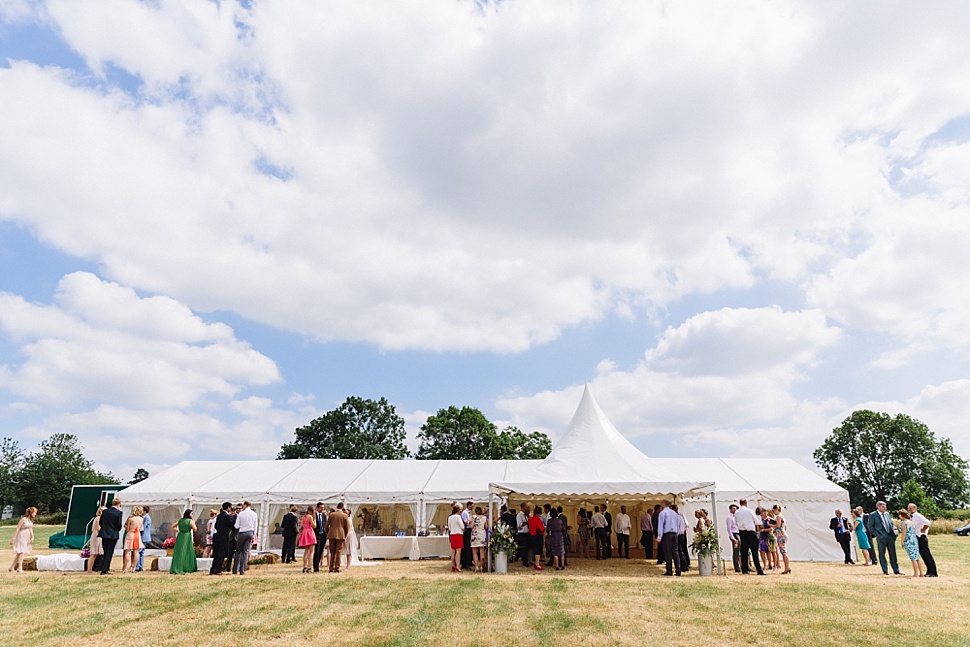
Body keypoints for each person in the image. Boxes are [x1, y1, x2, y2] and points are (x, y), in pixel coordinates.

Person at [865, 501, 901, 575]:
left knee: (893, 553)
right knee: (882, 553)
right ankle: (885, 570)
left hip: (890, 536)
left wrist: (894, 530)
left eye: (885, 506)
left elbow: (890, 523)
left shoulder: (887, 514)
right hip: (881, 536)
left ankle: (896, 570)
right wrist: (877, 534)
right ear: (878, 507)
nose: (885, 508)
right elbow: (870, 526)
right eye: (883, 506)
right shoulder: (873, 515)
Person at [735, 499, 765, 575]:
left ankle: (744, 569)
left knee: (744, 551)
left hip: (742, 532)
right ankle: (759, 569)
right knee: (754, 552)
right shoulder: (750, 511)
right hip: (751, 532)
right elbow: (757, 522)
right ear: (746, 503)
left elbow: (736, 523)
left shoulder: (737, 512)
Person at [907, 503, 938, 577]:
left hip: (921, 536)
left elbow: (927, 523)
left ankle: (933, 572)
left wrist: (923, 529)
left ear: (915, 508)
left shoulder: (918, 515)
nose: (909, 510)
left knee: (926, 554)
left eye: (910, 508)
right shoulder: (911, 517)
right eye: (908, 508)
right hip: (917, 536)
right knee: (923, 555)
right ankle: (929, 571)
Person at [232, 500, 258, 575]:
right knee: (245, 552)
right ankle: (242, 570)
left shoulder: (241, 514)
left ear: (245, 505)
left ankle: (235, 569)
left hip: (242, 532)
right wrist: (253, 535)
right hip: (250, 532)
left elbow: (236, 526)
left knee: (238, 551)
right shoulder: (254, 514)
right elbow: (255, 526)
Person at [655, 500, 680, 576]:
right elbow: (677, 524)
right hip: (674, 533)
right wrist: (677, 533)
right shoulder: (674, 513)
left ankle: (669, 570)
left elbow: (661, 525)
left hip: (667, 534)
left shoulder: (663, 513)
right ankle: (678, 570)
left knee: (668, 552)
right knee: (675, 552)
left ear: (663, 504)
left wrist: (659, 536)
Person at [8, 506, 37, 573]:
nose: (35, 514)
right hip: (21, 536)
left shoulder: (30, 521)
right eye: (34, 512)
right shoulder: (23, 519)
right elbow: (18, 528)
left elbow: (30, 528)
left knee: (19, 553)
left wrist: (32, 537)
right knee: (22, 552)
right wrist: (13, 538)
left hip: (26, 537)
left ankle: (12, 567)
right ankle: (19, 567)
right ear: (31, 512)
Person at [324, 502, 351, 573]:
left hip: (332, 534)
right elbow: (347, 528)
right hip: (341, 535)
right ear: (342, 507)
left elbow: (326, 526)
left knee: (332, 552)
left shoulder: (332, 515)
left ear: (337, 507)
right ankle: (337, 568)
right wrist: (344, 535)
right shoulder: (345, 516)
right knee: (338, 552)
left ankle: (331, 567)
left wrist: (328, 533)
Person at [170, 509, 198, 575]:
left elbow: (172, 526)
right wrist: (193, 522)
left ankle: (177, 567)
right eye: (192, 514)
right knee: (187, 551)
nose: (192, 515)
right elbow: (195, 529)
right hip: (187, 536)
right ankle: (187, 567)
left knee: (179, 552)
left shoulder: (180, 520)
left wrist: (178, 531)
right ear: (189, 514)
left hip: (180, 536)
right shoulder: (190, 521)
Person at [209, 502, 233, 575]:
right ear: (228, 507)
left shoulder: (219, 516)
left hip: (217, 536)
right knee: (222, 553)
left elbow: (216, 526)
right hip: (223, 537)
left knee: (216, 553)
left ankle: (213, 568)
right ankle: (218, 569)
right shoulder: (227, 516)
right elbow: (231, 523)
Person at [897, 510, 923, 577]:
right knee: (916, 557)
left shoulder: (904, 523)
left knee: (912, 558)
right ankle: (921, 573)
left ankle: (916, 573)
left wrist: (902, 542)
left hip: (908, 540)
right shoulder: (911, 522)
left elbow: (904, 533)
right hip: (914, 539)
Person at [122, 506, 144, 574]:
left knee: (127, 551)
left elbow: (128, 528)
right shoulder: (141, 519)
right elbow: (140, 529)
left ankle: (125, 567)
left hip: (131, 534)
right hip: (137, 534)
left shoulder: (131, 519)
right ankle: (133, 567)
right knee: (136, 551)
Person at [468, 506, 488, 573]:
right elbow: (486, 526)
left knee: (474, 552)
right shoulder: (484, 518)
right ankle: (482, 566)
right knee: (482, 551)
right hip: (482, 534)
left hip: (475, 534)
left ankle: (476, 567)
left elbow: (471, 526)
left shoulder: (474, 517)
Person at [298, 506, 317, 573]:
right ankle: (309, 567)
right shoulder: (310, 517)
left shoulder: (304, 517)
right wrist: (315, 519)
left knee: (306, 551)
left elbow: (301, 526)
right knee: (312, 551)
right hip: (310, 532)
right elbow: (314, 526)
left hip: (304, 532)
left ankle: (304, 566)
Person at [87, 506, 106, 574]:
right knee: (94, 554)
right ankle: (89, 570)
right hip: (97, 535)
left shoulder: (96, 518)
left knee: (95, 554)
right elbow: (98, 528)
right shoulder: (98, 518)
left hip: (95, 534)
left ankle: (91, 569)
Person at [447, 504, 465, 573]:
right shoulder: (458, 517)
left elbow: (449, 527)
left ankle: (453, 565)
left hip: (452, 534)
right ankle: (457, 566)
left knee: (453, 551)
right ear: (458, 510)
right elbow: (462, 527)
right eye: (460, 510)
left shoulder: (450, 517)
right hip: (458, 534)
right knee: (458, 551)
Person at [672, 504, 689, 572]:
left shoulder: (675, 517)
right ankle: (686, 563)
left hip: (678, 535)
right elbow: (687, 525)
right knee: (684, 550)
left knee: (680, 551)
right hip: (683, 534)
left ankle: (683, 566)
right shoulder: (682, 515)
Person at [528, 505, 545, 571]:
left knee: (532, 549)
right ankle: (537, 564)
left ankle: (531, 561)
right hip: (537, 536)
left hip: (531, 535)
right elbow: (542, 528)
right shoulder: (537, 519)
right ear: (540, 512)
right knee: (538, 550)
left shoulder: (531, 519)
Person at [726, 504, 741, 573]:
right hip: (734, 534)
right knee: (736, 551)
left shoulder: (736, 517)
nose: (735, 510)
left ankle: (741, 565)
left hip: (738, 533)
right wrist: (732, 537)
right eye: (733, 508)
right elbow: (729, 528)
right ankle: (736, 567)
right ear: (730, 509)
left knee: (739, 551)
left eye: (736, 509)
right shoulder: (729, 517)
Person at [313, 502, 328, 573]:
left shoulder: (323, 516)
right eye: (321, 507)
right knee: (317, 550)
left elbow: (325, 524)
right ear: (318, 508)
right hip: (316, 535)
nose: (322, 509)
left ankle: (318, 563)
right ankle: (315, 566)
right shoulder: (314, 515)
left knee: (321, 550)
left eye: (323, 508)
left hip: (323, 535)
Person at [136, 506, 152, 572]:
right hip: (144, 536)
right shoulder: (145, 517)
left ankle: (138, 566)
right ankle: (140, 566)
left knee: (139, 551)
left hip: (144, 536)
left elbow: (143, 527)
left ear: (145, 511)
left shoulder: (147, 518)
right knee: (141, 552)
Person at [460, 501, 474, 570]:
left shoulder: (469, 513)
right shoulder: (465, 513)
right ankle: (465, 563)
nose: (472, 507)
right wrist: (471, 521)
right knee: (466, 547)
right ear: (468, 505)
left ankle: (469, 561)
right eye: (471, 506)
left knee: (469, 547)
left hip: (469, 530)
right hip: (466, 531)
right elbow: (465, 522)